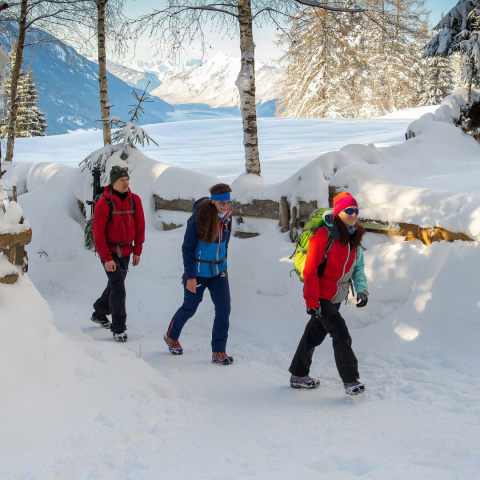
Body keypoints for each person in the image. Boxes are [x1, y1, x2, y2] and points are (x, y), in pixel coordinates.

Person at [288, 192, 369, 395]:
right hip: (321, 295)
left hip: (337, 295)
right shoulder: (324, 235)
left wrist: (362, 289)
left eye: (356, 211)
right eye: (349, 210)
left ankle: (298, 374)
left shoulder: (354, 236)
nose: (353, 214)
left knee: (313, 335)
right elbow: (310, 270)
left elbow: (358, 267)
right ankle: (351, 381)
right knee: (340, 333)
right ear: (339, 212)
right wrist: (312, 301)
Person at [164, 183, 233, 365]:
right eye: (222, 203)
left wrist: (223, 263)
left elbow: (225, 245)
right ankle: (171, 336)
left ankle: (218, 351)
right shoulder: (198, 219)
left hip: (218, 271)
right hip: (198, 272)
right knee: (190, 307)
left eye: (228, 202)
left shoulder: (227, 218)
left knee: (224, 309)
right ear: (214, 202)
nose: (225, 206)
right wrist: (190, 276)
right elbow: (187, 248)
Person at [90, 165, 145, 342]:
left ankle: (99, 311)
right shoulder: (103, 204)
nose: (126, 183)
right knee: (119, 286)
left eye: (127, 179)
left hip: (126, 250)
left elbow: (140, 227)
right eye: (122, 180)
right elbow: (98, 233)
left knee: (115, 283)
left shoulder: (135, 200)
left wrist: (137, 251)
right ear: (113, 182)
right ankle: (119, 328)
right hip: (109, 250)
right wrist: (106, 258)